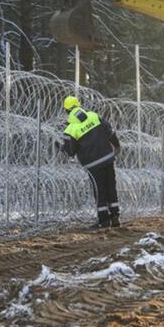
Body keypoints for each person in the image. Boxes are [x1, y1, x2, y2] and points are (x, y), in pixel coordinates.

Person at [60, 96, 121, 228]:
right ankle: (115, 216)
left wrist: (61, 147)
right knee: (111, 187)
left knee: (100, 191)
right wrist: (116, 145)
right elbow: (110, 132)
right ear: (79, 105)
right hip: (108, 158)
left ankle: (104, 220)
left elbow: (70, 152)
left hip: (93, 165)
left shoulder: (70, 129)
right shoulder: (94, 116)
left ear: (66, 111)